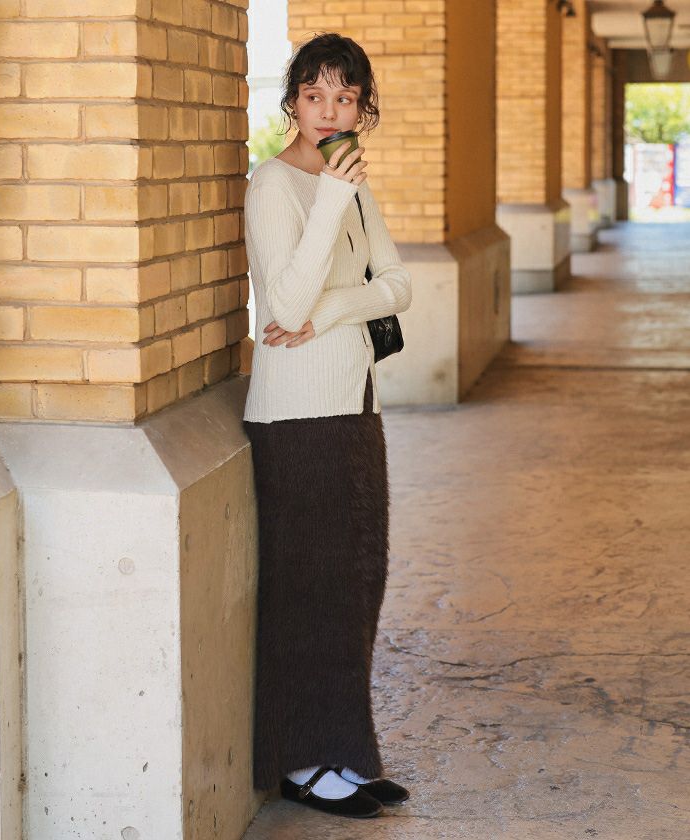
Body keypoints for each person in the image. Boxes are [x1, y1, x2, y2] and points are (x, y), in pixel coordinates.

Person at [241, 32, 412, 820]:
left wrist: (336, 311)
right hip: (296, 416)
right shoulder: (273, 186)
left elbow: (397, 287)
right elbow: (284, 304)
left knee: (358, 580)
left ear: (361, 108)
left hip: (355, 401)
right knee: (311, 586)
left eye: (345, 97)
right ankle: (303, 764)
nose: (329, 111)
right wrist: (335, 202)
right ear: (293, 102)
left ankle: (345, 751)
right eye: (315, 95)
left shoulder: (353, 187)